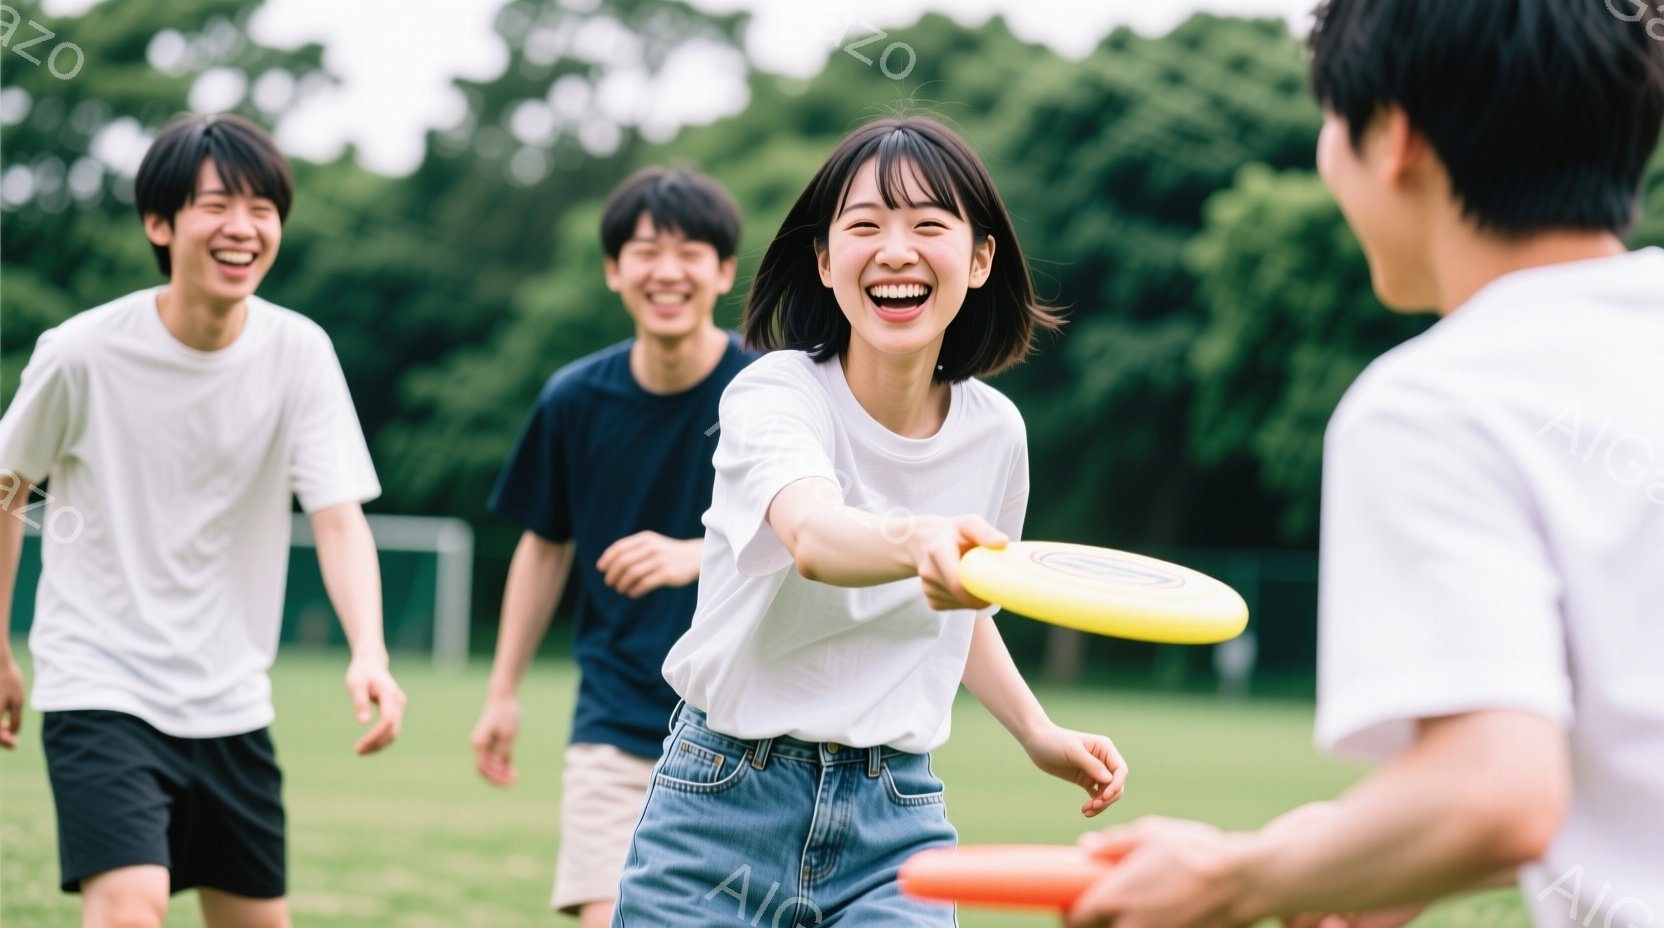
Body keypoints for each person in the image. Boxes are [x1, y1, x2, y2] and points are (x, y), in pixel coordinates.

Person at [1065, 1, 1664, 926]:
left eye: (1329, 119)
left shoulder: (1432, 404)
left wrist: (1234, 879)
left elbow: (1496, 794)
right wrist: (1366, 855)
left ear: (1395, 139)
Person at [612, 116, 1129, 927]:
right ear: (824, 260)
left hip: (897, 815)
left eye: (929, 225)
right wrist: (919, 537)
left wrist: (1036, 729)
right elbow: (815, 538)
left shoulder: (996, 432)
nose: (896, 251)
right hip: (721, 803)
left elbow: (959, 606)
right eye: (864, 226)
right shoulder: (776, 393)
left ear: (982, 258)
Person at [0, 113, 405, 928]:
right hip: (99, 683)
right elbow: (10, 492)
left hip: (231, 700)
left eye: (263, 208)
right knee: (130, 908)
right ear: (159, 222)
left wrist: (370, 650)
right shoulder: (80, 353)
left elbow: (337, 517)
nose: (243, 227)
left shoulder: (300, 352)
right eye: (217, 204)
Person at [468, 166, 753, 927]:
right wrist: (502, 693)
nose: (667, 271)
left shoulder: (770, 394)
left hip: (751, 734)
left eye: (691, 252)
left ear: (724, 271)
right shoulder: (573, 399)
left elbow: (821, 537)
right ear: (612, 270)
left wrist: (700, 553)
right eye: (645, 251)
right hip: (617, 724)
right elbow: (543, 547)